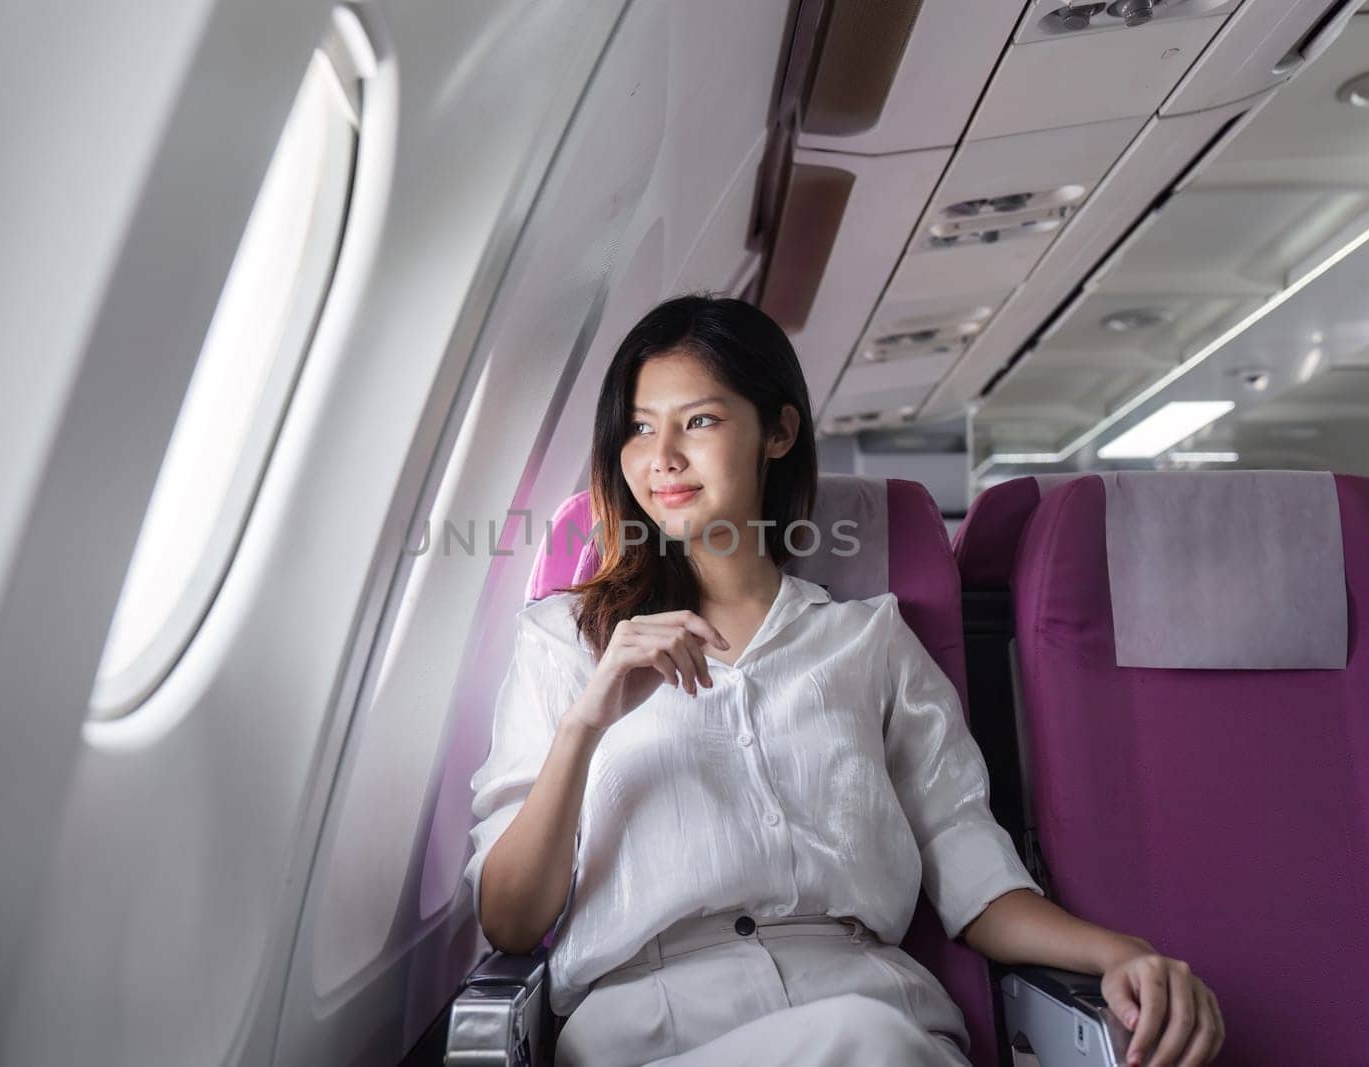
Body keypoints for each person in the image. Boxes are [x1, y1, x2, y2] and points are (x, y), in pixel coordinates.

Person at [462, 293, 1224, 1067]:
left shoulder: (871, 643)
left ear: (779, 431)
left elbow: (977, 879)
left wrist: (1120, 953)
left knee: (870, 1039)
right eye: (637, 426)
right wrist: (586, 724)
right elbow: (512, 922)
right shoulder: (566, 642)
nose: (661, 456)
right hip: (652, 1030)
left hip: (871, 1000)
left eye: (698, 421)